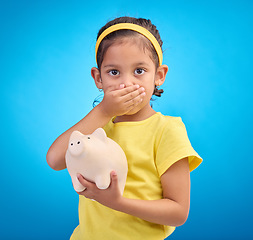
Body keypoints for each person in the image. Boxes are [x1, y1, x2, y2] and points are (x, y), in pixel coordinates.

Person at [46, 16, 202, 240]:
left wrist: (117, 203)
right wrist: (103, 111)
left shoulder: (167, 130)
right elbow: (54, 160)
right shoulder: (96, 125)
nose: (126, 83)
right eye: (114, 72)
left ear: (159, 76)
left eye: (139, 71)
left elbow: (178, 213)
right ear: (98, 78)